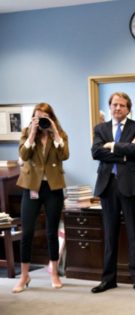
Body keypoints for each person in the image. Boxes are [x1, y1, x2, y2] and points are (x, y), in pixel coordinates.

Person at [91, 92, 135, 294]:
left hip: (131, 186)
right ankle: (108, 279)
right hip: (108, 186)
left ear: (128, 108)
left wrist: (113, 146)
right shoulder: (101, 128)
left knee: (133, 233)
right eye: (114, 104)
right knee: (110, 234)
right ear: (110, 106)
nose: (118, 108)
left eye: (122, 105)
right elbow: (96, 152)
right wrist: (124, 155)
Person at [12, 103, 69, 293]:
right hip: (31, 187)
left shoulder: (58, 133)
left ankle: (54, 272)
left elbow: (65, 155)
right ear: (33, 118)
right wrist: (31, 134)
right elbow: (23, 154)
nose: (41, 120)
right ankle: (24, 275)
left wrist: (54, 131)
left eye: (45, 117)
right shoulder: (28, 132)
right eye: (38, 117)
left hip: (53, 188)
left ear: (51, 117)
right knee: (27, 232)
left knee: (51, 232)